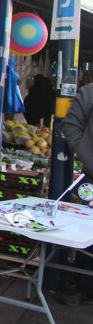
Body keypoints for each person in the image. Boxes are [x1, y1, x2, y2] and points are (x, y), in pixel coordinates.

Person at [60, 82, 93, 305]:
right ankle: (85, 288)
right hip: (92, 177)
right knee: (88, 232)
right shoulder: (90, 91)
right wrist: (88, 157)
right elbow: (71, 125)